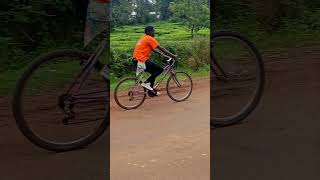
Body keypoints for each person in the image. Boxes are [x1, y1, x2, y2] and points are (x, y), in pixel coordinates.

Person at [133, 26, 177, 96]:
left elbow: (153, 49)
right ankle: (147, 83)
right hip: (141, 60)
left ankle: (151, 92)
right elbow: (161, 48)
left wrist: (163, 55)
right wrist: (173, 56)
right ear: (149, 32)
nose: (154, 32)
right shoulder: (150, 38)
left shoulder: (144, 38)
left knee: (153, 73)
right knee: (160, 69)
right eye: (153, 31)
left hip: (136, 60)